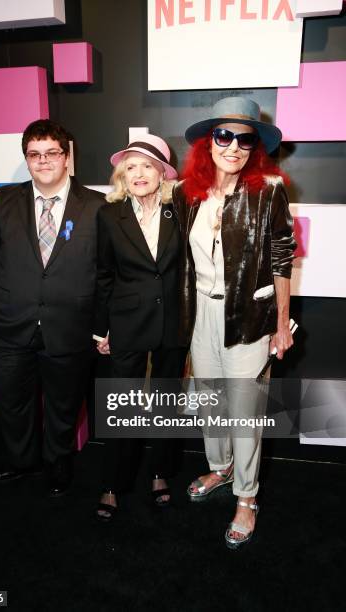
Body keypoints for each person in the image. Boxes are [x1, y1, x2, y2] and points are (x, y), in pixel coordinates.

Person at [174, 97, 296, 548]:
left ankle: (247, 497)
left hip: (249, 316)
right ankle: (220, 468)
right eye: (224, 136)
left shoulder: (268, 188)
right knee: (210, 403)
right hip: (201, 313)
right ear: (209, 143)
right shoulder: (189, 192)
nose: (234, 146)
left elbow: (282, 260)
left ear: (254, 146)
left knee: (245, 412)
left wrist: (282, 325)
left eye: (245, 138)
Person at [0, 119, 105, 497]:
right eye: (34, 154)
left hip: (70, 328)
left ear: (67, 157)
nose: (43, 161)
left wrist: (99, 325)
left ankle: (57, 462)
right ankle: (21, 461)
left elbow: (107, 272)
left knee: (64, 405)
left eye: (51, 153)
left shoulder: (97, 206)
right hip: (8, 327)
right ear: (27, 159)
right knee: (12, 403)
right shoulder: (4, 200)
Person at [93, 134, 187, 521]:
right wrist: (103, 330)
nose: (139, 173)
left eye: (148, 165)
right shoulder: (108, 214)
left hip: (173, 321)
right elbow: (103, 274)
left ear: (163, 173)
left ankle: (161, 473)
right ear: (121, 175)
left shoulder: (180, 208)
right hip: (126, 322)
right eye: (130, 167)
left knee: (166, 402)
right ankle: (116, 481)